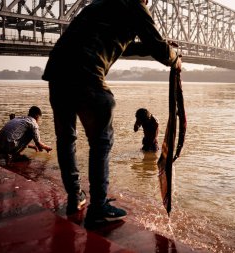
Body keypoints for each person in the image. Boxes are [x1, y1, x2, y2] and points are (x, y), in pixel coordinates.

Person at [42, 0, 182, 225]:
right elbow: (160, 50)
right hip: (86, 71)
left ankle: (75, 196)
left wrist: (159, 46)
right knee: (101, 141)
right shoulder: (135, 4)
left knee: (66, 137)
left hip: (57, 70)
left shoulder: (100, 4)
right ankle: (98, 207)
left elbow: (122, 46)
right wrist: (174, 58)